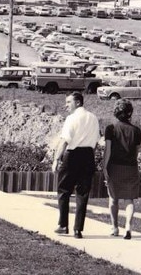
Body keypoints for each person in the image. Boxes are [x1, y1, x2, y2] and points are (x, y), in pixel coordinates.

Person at [52, 92, 100, 239]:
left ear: (78, 102)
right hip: (88, 155)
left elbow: (65, 140)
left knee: (64, 189)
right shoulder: (93, 118)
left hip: (72, 155)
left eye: (68, 102)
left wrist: (56, 159)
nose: (66, 105)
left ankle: (63, 225)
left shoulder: (71, 118)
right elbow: (96, 140)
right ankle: (78, 229)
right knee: (83, 193)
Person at [103, 99, 141, 240]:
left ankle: (115, 227)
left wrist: (105, 168)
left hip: (114, 166)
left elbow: (108, 150)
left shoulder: (111, 129)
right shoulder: (137, 131)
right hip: (131, 167)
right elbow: (136, 152)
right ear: (129, 113)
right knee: (129, 199)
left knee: (113, 199)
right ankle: (128, 228)